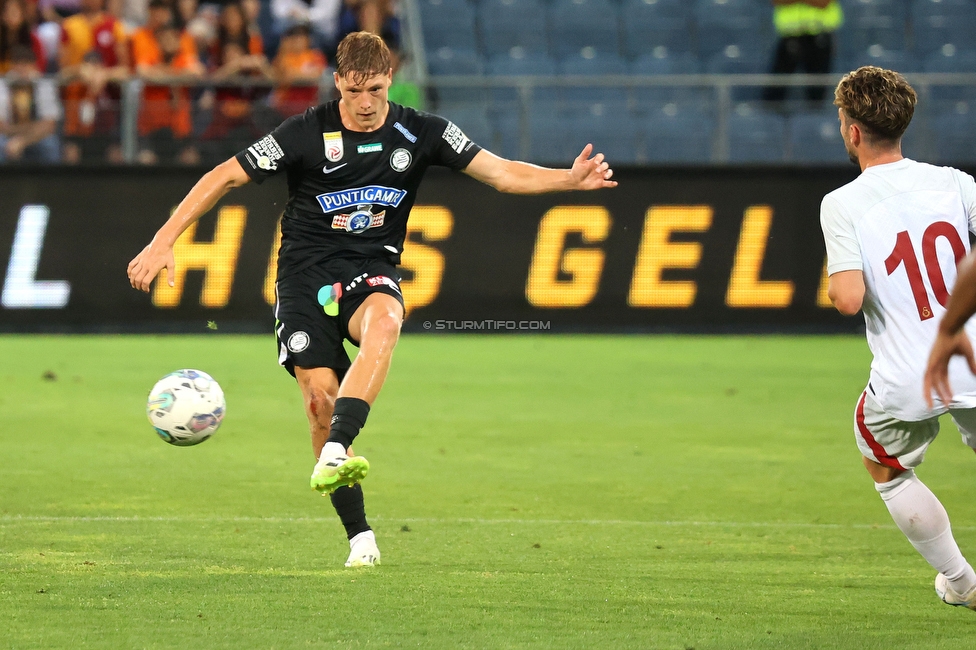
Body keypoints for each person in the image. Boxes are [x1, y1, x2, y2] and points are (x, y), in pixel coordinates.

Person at [127, 31, 616, 568]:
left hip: (370, 268)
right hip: (303, 277)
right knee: (319, 401)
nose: (366, 103)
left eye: (377, 89)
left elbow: (501, 174)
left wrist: (567, 180)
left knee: (386, 322)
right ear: (338, 81)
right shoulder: (306, 131)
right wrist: (163, 239)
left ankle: (339, 447)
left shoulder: (422, 131)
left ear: (391, 81)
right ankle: (360, 536)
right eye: (355, 89)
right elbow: (225, 176)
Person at [821, 66, 976, 611]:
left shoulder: (842, 202)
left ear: (854, 131)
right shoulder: (957, 183)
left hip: (909, 374)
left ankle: (961, 581)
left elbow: (848, 299)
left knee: (885, 462)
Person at [58, 0, 129, 163]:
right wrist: (80, 71)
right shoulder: (70, 25)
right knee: (72, 152)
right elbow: (62, 70)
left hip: (108, 104)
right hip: (76, 102)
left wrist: (104, 74)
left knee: (114, 153)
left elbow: (125, 69)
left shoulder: (114, 25)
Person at [763, 0, 843, 105]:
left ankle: (815, 119)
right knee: (776, 89)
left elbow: (824, 3)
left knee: (817, 91)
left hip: (820, 35)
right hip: (789, 35)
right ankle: (771, 118)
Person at [0, 44, 61, 162]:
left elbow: (49, 125)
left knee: (50, 145)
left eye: (26, 64)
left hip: (37, 137)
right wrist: (20, 134)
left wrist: (22, 141)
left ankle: (52, 180)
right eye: (17, 64)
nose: (22, 68)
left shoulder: (44, 85)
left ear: (33, 65)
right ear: (11, 66)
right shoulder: (2, 85)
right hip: (8, 135)